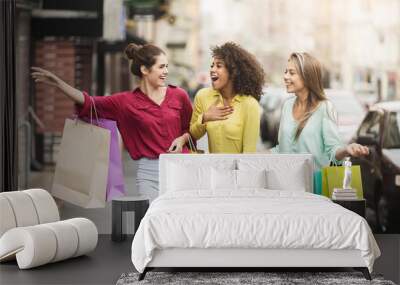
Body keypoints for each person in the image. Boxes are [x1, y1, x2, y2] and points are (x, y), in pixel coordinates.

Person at [31, 43, 193, 200]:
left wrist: (182, 139)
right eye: (161, 67)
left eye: (166, 66)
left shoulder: (179, 95)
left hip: (180, 169)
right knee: (152, 222)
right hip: (149, 174)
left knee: (181, 222)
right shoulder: (124, 102)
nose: (165, 71)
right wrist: (58, 83)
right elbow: (89, 102)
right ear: (144, 69)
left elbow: (192, 130)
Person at [270, 52, 369, 190]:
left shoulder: (325, 108)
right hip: (287, 185)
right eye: (286, 72)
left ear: (307, 77)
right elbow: (281, 149)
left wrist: (346, 149)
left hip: (314, 187)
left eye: (292, 73)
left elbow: (333, 151)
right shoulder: (287, 106)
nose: (285, 76)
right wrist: (251, 158)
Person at [190, 42, 265, 153]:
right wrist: (205, 117)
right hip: (212, 168)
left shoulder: (250, 104)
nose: (212, 70)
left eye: (219, 66)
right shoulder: (203, 96)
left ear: (233, 72)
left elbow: (249, 153)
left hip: (237, 169)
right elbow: (193, 135)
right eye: (212, 65)